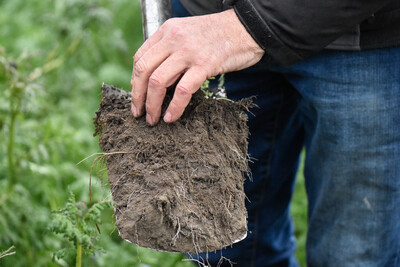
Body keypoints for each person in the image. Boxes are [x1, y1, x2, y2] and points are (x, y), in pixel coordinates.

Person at [130, 0, 400, 266]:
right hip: (206, 23)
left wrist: (247, 27)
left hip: (363, 35)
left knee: (356, 254)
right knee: (223, 249)